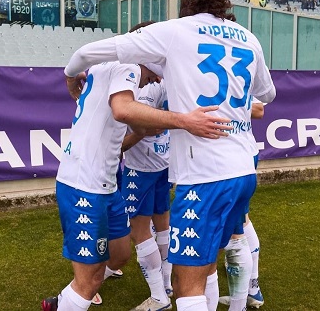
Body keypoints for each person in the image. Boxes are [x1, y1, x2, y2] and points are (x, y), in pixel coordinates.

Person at [63, 0, 276, 311]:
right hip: (243, 169)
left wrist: (72, 76)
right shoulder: (248, 38)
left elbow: (87, 52)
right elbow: (267, 95)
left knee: (185, 281)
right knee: (207, 263)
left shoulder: (175, 31)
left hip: (206, 174)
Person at [44, 59, 232, 311]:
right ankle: (72, 296)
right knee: (91, 280)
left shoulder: (110, 70)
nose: (157, 79)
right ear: (146, 56)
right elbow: (124, 111)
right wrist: (185, 121)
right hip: (83, 186)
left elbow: (120, 117)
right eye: (157, 69)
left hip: (106, 185)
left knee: (120, 256)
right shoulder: (127, 68)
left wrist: (71, 79)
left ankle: (72, 296)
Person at [122, 78, 173, 311]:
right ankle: (167, 284)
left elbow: (141, 119)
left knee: (139, 230)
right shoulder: (168, 77)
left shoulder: (145, 86)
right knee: (162, 224)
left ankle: (159, 295)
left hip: (142, 167)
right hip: (163, 161)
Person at [218, 101, 266, 310]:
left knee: (238, 226)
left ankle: (250, 292)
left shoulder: (241, 68)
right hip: (231, 152)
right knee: (241, 220)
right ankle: (251, 290)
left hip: (236, 154)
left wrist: (223, 105)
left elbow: (259, 109)